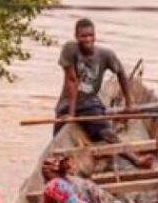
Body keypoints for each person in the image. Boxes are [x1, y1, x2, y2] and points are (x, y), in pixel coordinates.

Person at [55, 18, 151, 167]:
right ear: (76, 36)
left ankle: (135, 159)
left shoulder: (105, 55)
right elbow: (71, 81)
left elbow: (121, 74)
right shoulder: (69, 49)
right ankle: (56, 167)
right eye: (83, 36)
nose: (87, 39)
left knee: (107, 133)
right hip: (67, 104)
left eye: (90, 35)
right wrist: (72, 114)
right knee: (56, 141)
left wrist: (129, 104)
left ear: (95, 36)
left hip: (89, 103)